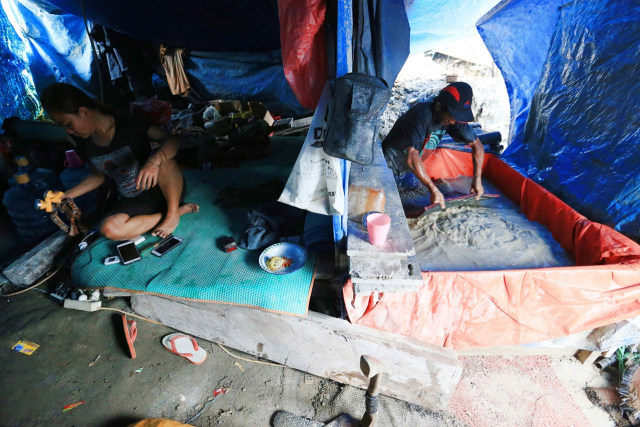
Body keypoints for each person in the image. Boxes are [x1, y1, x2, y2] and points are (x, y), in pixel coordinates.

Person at [40, 83, 199, 241]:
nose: (68, 131)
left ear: (84, 112)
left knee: (163, 158)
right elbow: (98, 175)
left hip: (163, 188)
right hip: (133, 197)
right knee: (109, 229)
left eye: (68, 124)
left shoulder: (127, 123)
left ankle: (172, 214)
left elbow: (171, 139)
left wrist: (154, 162)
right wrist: (66, 195)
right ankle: (178, 212)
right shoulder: (84, 142)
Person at [382, 81, 485, 209]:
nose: (453, 122)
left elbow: (477, 146)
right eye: (451, 116)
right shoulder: (421, 114)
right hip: (388, 166)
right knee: (394, 204)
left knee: (440, 195)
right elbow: (411, 156)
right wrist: (432, 189)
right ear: (438, 105)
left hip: (409, 171)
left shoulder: (452, 120)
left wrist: (477, 179)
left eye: (456, 117)